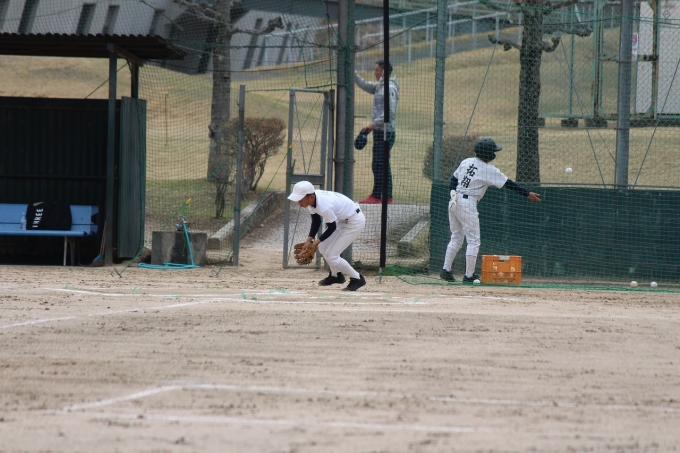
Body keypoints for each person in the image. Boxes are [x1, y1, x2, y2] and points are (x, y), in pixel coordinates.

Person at [441, 138, 541, 283]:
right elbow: (508, 184)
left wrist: (452, 191)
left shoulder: (467, 161)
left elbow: (454, 179)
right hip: (467, 203)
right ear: (489, 154)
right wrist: (527, 194)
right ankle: (469, 276)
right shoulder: (488, 169)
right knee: (473, 241)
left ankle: (446, 269)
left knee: (456, 237)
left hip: (454, 200)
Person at [287, 181, 367, 291]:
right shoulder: (312, 200)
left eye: (300, 199)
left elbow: (331, 228)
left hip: (354, 222)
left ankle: (357, 278)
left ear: (311, 197)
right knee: (323, 246)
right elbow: (316, 221)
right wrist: (309, 240)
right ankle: (336, 275)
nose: (298, 202)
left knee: (332, 255)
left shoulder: (324, 206)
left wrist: (315, 243)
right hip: (342, 220)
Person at [354, 59, 400, 204]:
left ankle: (379, 196)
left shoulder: (389, 88)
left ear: (383, 71)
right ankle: (385, 197)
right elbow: (365, 84)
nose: (374, 72)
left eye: (376, 70)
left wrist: (372, 125)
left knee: (380, 164)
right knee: (380, 163)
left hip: (386, 132)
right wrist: (352, 72)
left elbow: (390, 113)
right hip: (379, 131)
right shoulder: (380, 86)